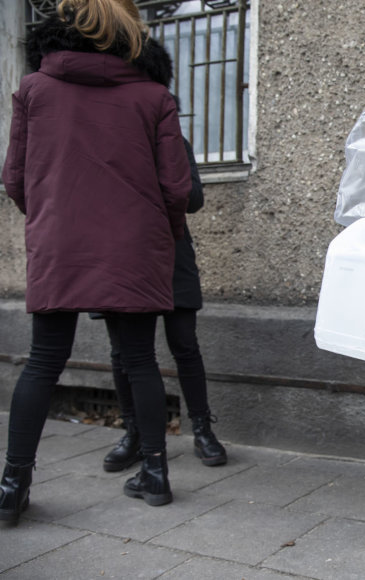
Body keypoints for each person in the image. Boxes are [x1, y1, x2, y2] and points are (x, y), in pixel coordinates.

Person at [0, 0, 191, 522]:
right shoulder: (155, 96)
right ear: (133, 32)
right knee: (140, 359)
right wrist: (164, 234)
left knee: (43, 360)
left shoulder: (35, 89)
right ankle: (155, 475)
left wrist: (52, 219)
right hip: (136, 242)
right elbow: (176, 186)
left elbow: (14, 179)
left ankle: (12, 483)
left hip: (60, 241)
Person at [100, 135, 228, 473]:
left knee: (184, 343)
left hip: (172, 250)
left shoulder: (171, 139)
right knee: (122, 352)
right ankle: (134, 434)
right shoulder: (104, 134)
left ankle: (201, 429)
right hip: (117, 253)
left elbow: (194, 198)